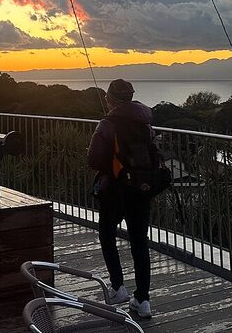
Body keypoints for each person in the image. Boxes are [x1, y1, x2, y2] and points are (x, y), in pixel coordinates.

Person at [87, 79, 157, 319]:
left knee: (107, 235)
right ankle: (143, 299)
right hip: (141, 190)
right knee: (140, 243)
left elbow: (93, 159)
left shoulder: (107, 124)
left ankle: (118, 288)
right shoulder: (146, 124)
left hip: (115, 191)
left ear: (110, 99)